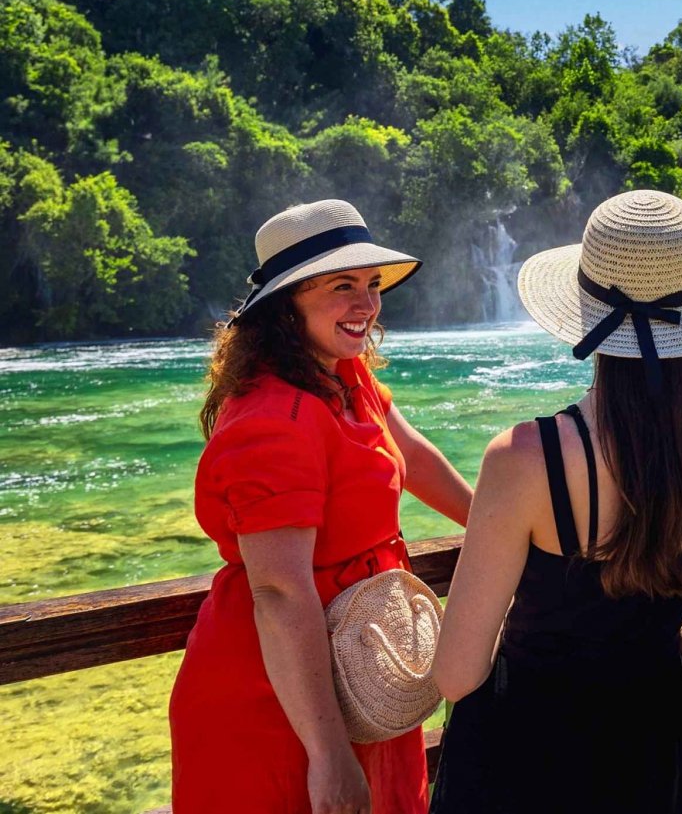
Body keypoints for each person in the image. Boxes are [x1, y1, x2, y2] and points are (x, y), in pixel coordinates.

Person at [430, 189, 682, 813]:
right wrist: (641, 637)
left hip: (515, 761)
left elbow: (457, 674)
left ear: (588, 313)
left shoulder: (524, 459)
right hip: (645, 761)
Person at [169, 199, 474, 814]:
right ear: (286, 305)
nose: (367, 304)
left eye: (371, 284)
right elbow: (279, 594)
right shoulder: (271, 421)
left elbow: (407, 451)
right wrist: (329, 754)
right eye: (342, 286)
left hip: (362, 660)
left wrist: (496, 528)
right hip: (286, 701)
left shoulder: (342, 373)